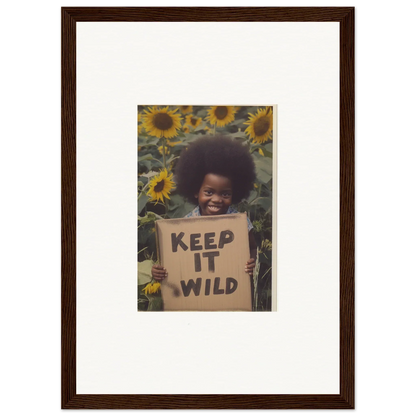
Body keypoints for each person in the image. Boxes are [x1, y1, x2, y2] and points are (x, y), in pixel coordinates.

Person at [151, 134, 257, 281]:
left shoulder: (241, 223)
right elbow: (174, 260)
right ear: (196, 190)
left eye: (225, 194)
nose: (216, 200)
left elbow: (252, 247)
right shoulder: (186, 224)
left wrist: (252, 262)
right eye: (209, 192)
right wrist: (159, 271)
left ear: (235, 193)